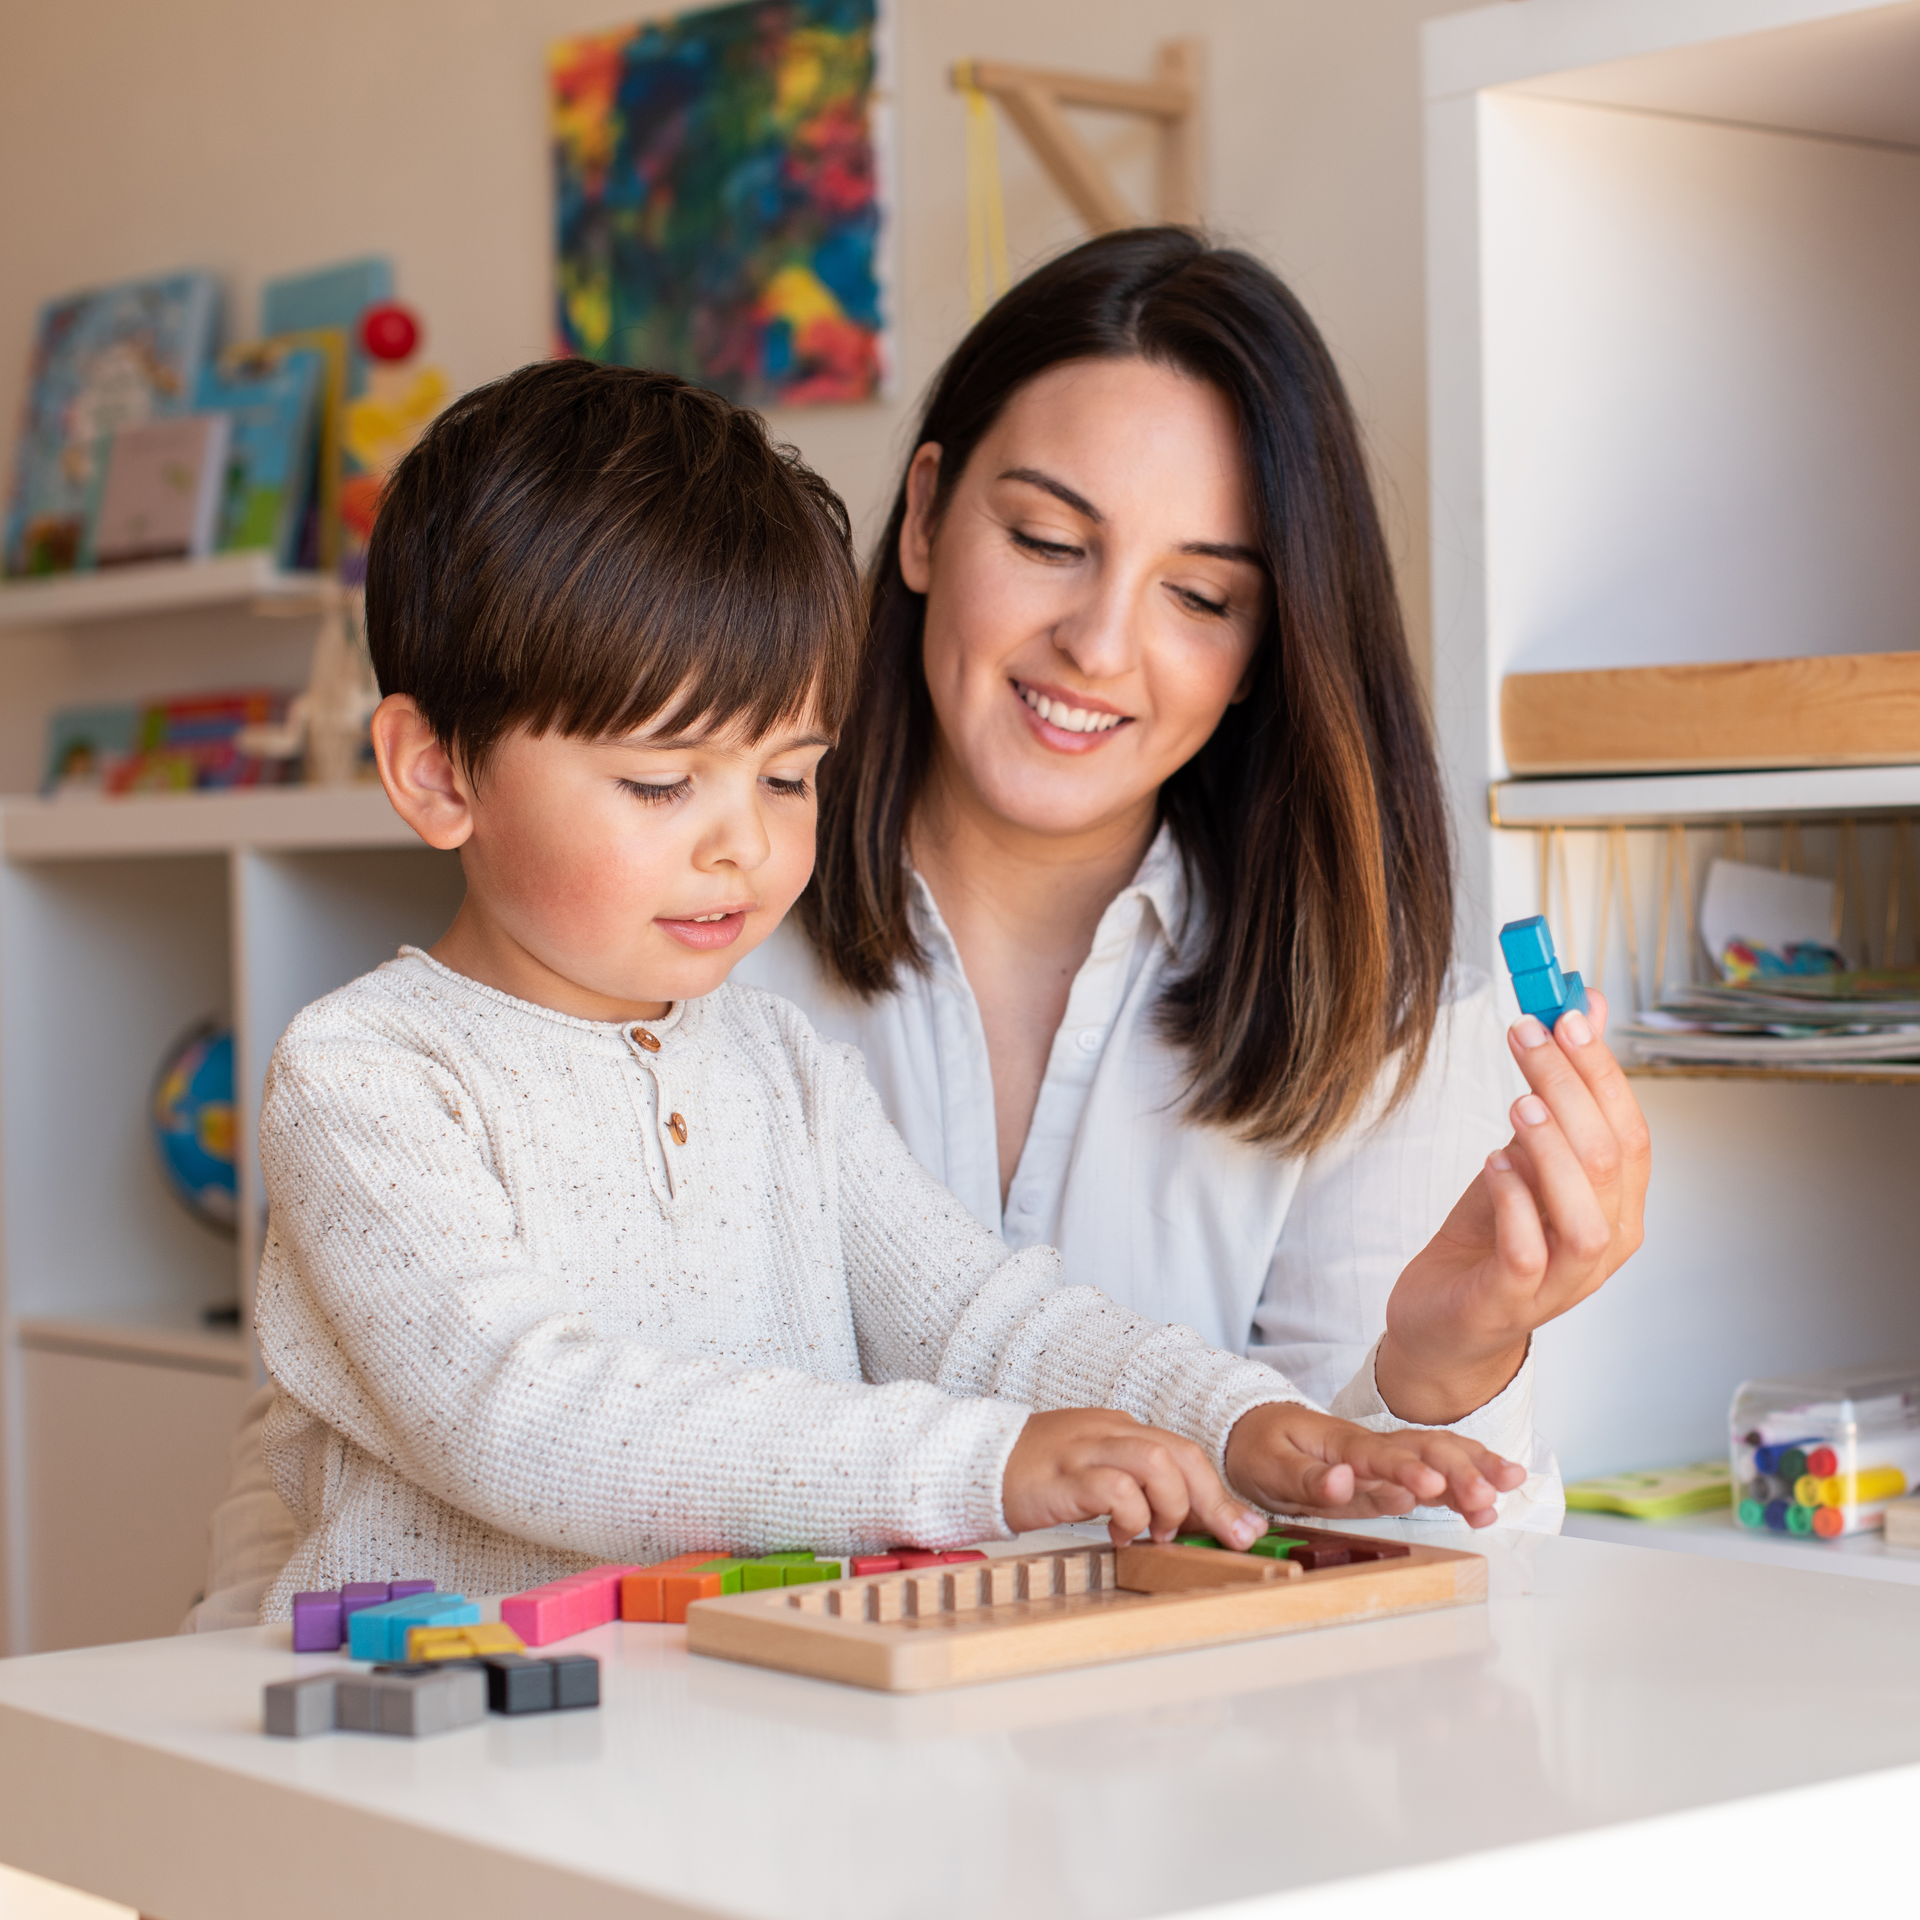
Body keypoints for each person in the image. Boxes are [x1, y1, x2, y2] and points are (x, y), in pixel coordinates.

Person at [232, 359, 1533, 1620]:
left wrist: (1241, 1423)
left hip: (722, 1744)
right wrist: (981, 1468)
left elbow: (985, 1317)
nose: (743, 843)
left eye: (789, 777)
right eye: (660, 784)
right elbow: (527, 1421)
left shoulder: (781, 1063)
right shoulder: (370, 1078)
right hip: (432, 1759)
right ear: (436, 775)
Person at [739, 229, 1650, 1530]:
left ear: (1263, 646)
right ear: (929, 516)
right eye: (1050, 539)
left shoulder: (1375, 1021)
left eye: (1202, 597)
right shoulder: (697, 929)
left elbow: (1415, 1629)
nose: (1099, 645)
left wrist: (1443, 1370)